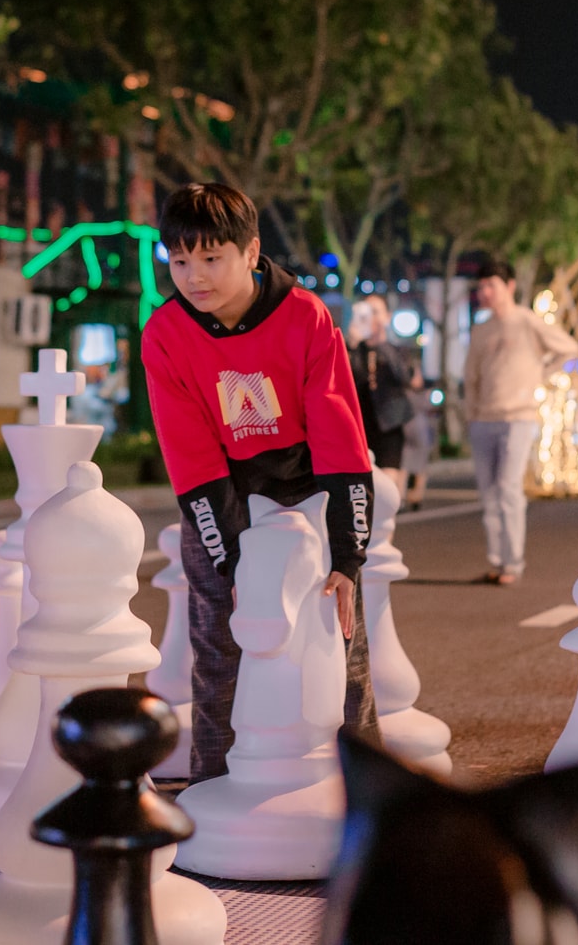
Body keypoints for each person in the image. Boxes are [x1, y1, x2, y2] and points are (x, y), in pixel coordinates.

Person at [141, 182, 379, 784]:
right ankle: (211, 788)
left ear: (250, 252)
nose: (194, 277)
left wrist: (347, 558)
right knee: (220, 651)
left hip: (309, 492)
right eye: (180, 260)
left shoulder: (305, 316)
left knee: (341, 649)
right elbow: (190, 456)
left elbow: (338, 433)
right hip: (225, 498)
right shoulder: (165, 335)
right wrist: (232, 566)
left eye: (211, 258)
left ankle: (375, 799)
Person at [463, 259, 577, 585]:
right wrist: (470, 413)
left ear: (509, 286)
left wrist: (540, 373)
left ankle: (513, 563)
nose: (485, 292)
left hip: (518, 418)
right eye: (481, 287)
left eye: (491, 285)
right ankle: (497, 561)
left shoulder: (527, 322)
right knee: (488, 494)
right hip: (483, 419)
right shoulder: (481, 328)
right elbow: (471, 376)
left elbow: (569, 348)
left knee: (509, 489)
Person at [347, 294, 419, 494]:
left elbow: (404, 377)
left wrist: (380, 343)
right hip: (360, 426)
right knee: (364, 491)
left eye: (376, 312)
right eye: (367, 312)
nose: (371, 317)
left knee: (387, 489)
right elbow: (345, 379)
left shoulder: (396, 349)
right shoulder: (353, 348)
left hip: (389, 425)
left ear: (387, 317)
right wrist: (352, 345)